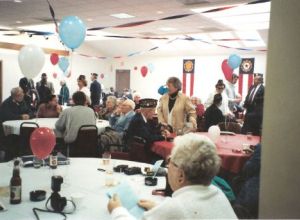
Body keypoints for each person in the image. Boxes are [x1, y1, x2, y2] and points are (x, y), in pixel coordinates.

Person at [107, 133, 237, 219]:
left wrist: (117, 210)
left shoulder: (176, 207)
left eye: (170, 162)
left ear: (181, 175)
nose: (167, 167)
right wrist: (159, 209)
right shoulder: (217, 193)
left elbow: (180, 210)